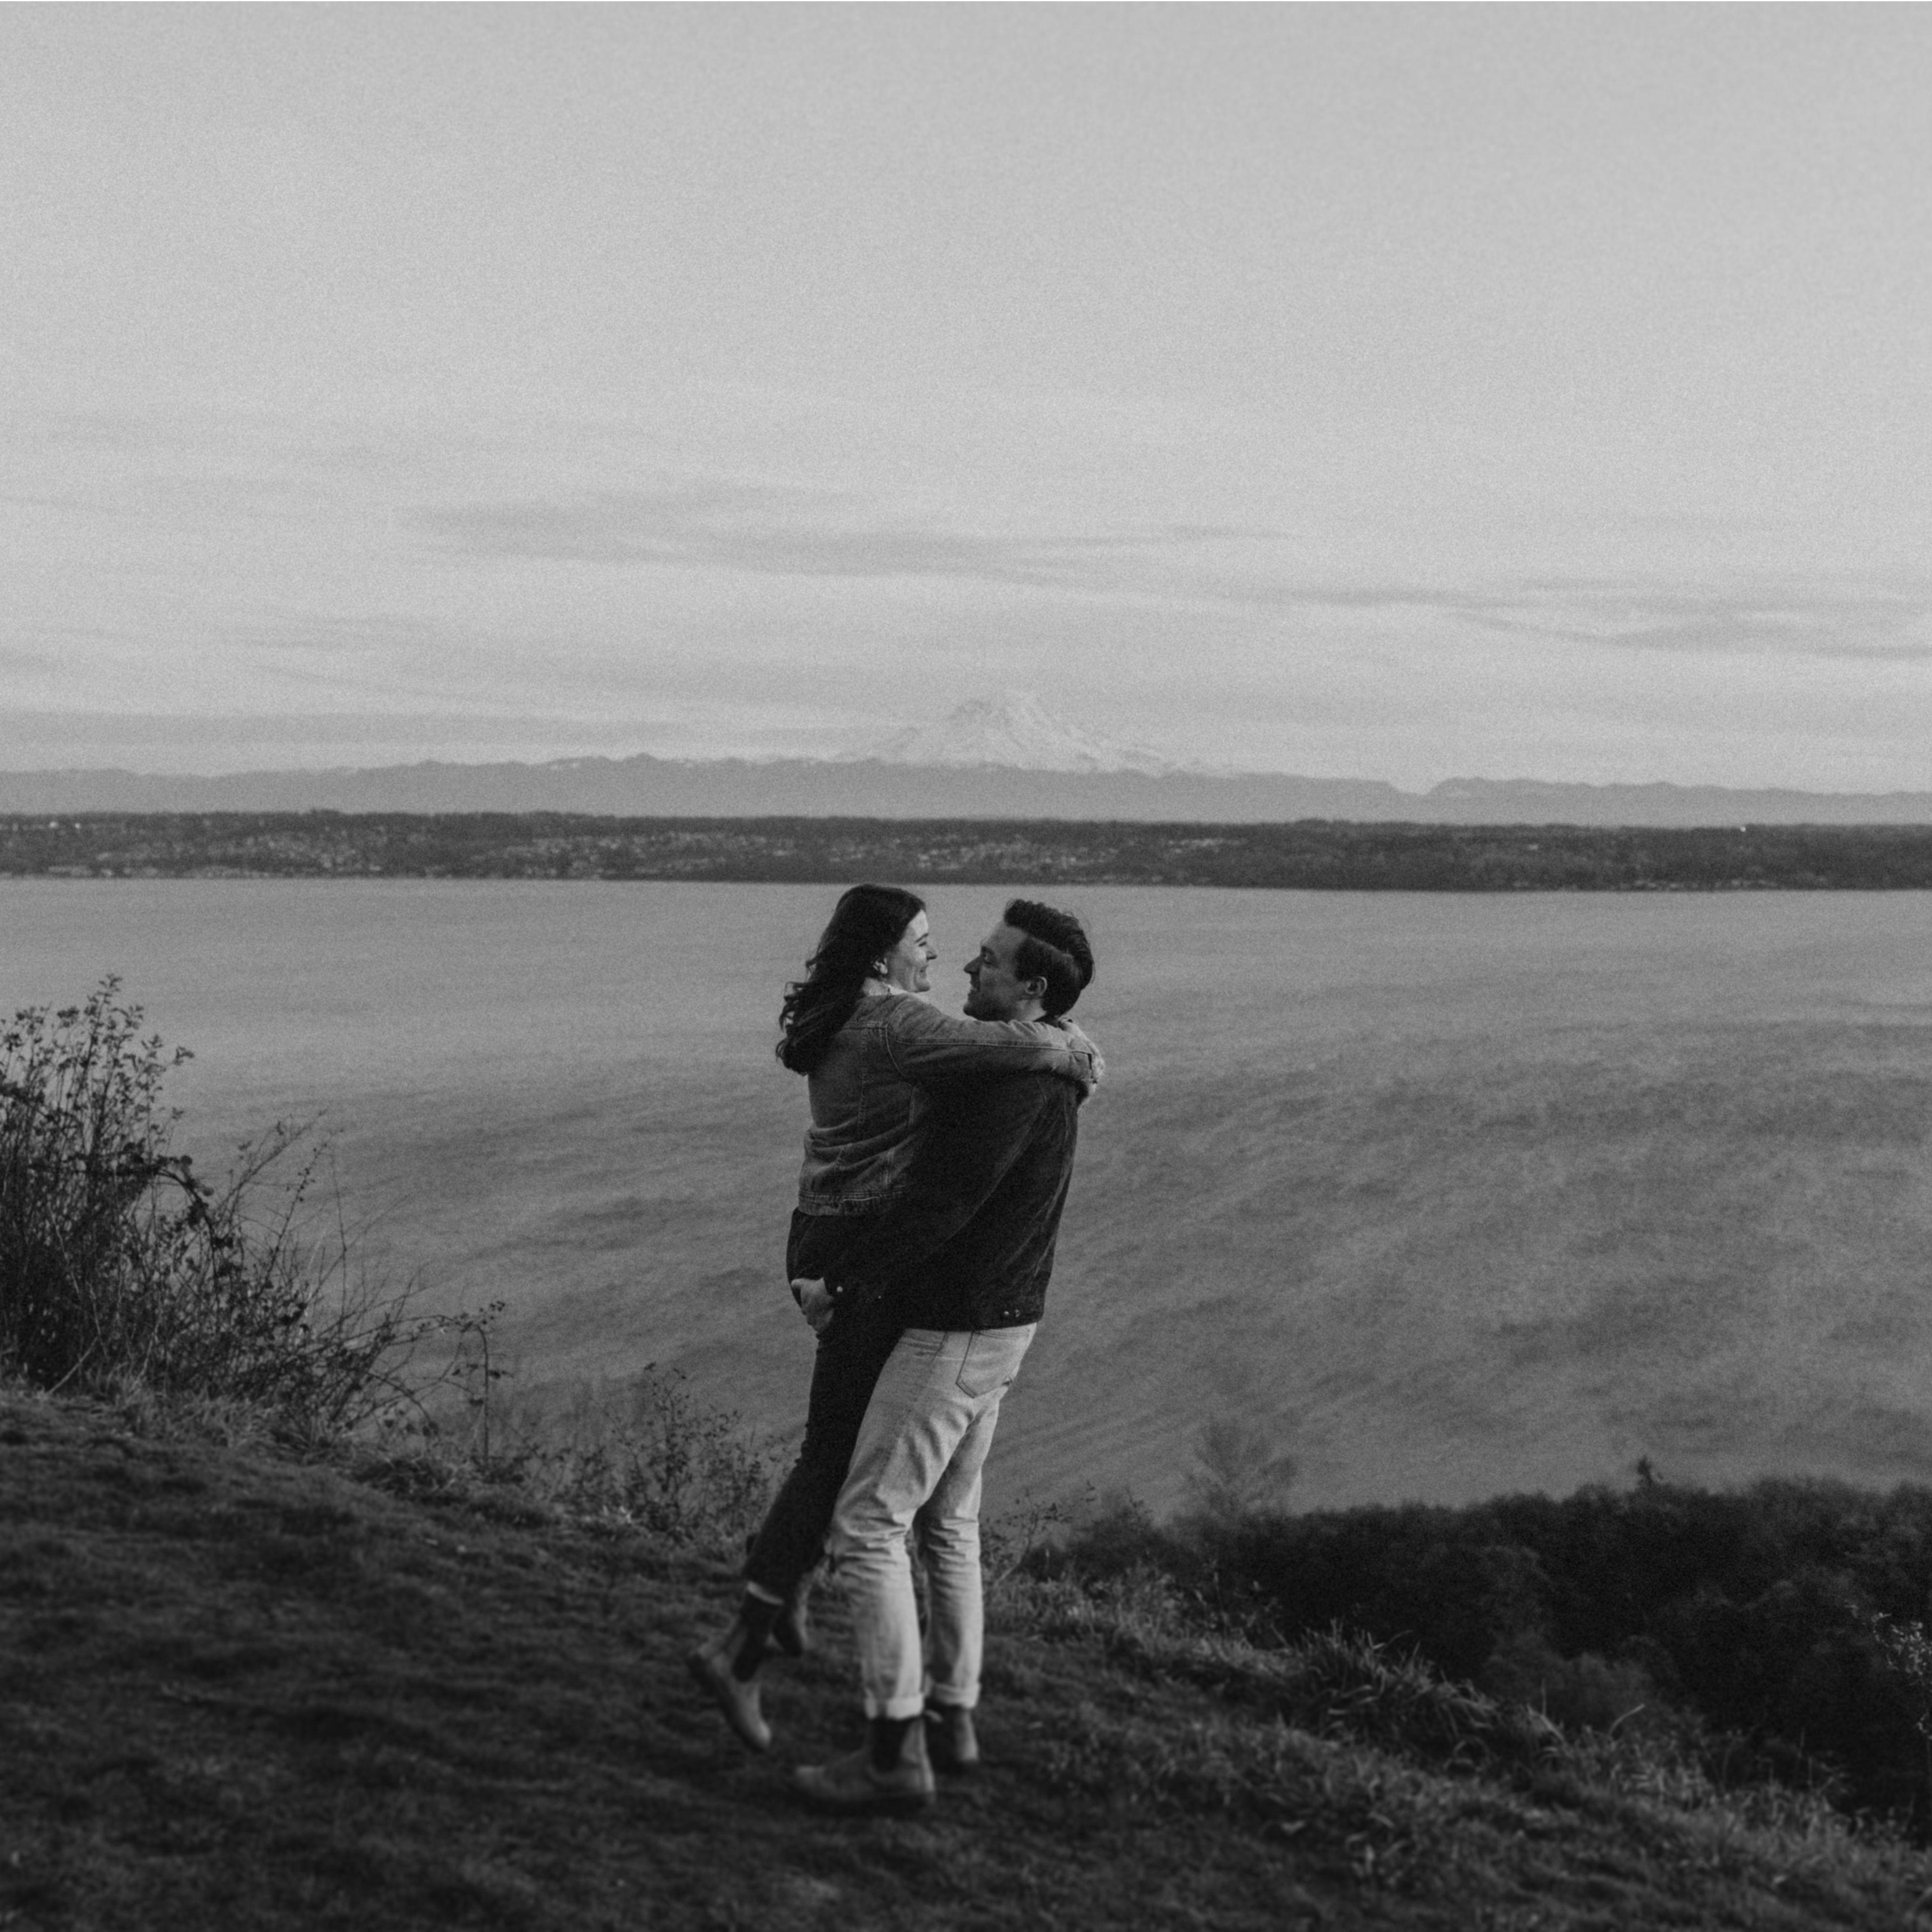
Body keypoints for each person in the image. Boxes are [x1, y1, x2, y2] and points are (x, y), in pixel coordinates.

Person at [687, 885, 1100, 1750]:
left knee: (845, 1456)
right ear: (881, 955)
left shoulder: (861, 1016)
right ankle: (750, 1644)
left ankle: (781, 1605)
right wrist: (1069, 1048)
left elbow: (980, 1055)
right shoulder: (896, 1024)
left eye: (969, 949)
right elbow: (997, 1041)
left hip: (828, 1238)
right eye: (923, 940)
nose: (944, 957)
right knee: (838, 1458)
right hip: (850, 1256)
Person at [790, 898, 1097, 1813]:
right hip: (1008, 1318)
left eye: (990, 962)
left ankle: (894, 1754)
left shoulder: (1009, 1082)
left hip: (958, 1326)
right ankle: (954, 1719)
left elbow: (944, 1206)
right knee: (950, 1520)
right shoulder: (1051, 1061)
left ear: (1031, 988)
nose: (968, 968)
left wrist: (842, 1284)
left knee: (870, 1522)